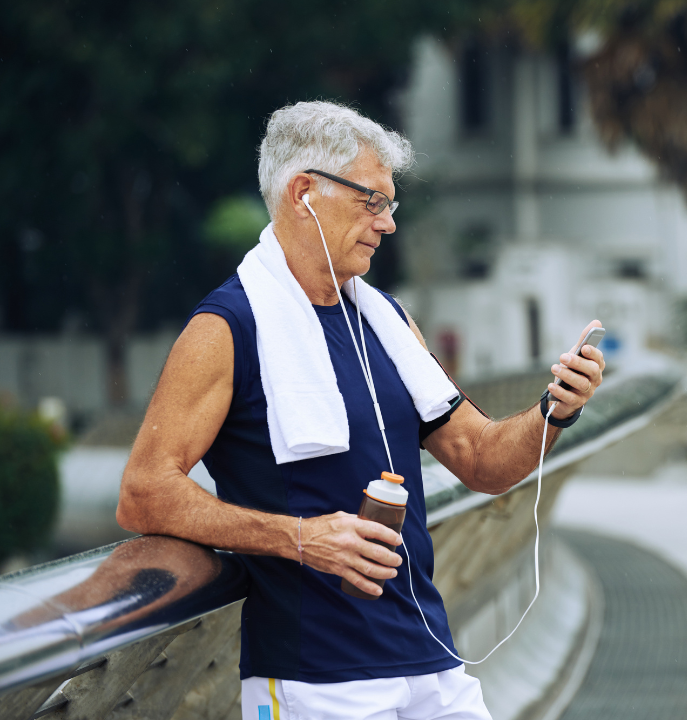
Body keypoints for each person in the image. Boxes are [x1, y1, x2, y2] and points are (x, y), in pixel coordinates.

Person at [116, 100, 604, 720]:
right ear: (304, 193)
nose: (388, 223)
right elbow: (144, 493)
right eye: (372, 201)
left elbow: (481, 458)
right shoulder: (226, 328)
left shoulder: (388, 320)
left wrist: (555, 409)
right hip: (315, 678)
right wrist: (300, 538)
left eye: (390, 204)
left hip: (430, 659)